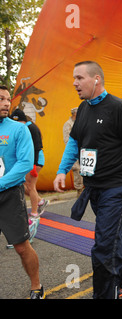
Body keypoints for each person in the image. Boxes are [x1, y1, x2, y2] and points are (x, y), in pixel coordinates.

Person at [53, 61, 122, 299]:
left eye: (79, 78)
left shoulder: (119, 108)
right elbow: (74, 142)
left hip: (116, 184)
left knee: (104, 244)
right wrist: (62, 170)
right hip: (93, 185)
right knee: (115, 231)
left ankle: (105, 294)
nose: (74, 83)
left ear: (96, 79)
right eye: (74, 78)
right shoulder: (83, 109)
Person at [0, 85, 45, 299]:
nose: (6, 103)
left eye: (8, 99)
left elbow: (25, 163)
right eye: (1, 99)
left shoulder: (19, 129)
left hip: (8, 194)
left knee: (21, 247)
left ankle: (36, 285)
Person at [10, 108, 49, 218]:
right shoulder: (21, 129)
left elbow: (37, 147)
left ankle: (34, 212)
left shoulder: (31, 128)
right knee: (23, 184)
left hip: (35, 160)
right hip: (28, 160)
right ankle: (40, 201)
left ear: (22, 120)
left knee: (30, 186)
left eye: (17, 122)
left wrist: (34, 165)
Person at [63, 107, 84, 197]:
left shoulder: (81, 122)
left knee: (85, 169)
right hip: (74, 150)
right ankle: (79, 190)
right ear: (75, 114)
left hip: (84, 150)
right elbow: (67, 139)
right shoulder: (68, 124)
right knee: (76, 169)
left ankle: (87, 188)